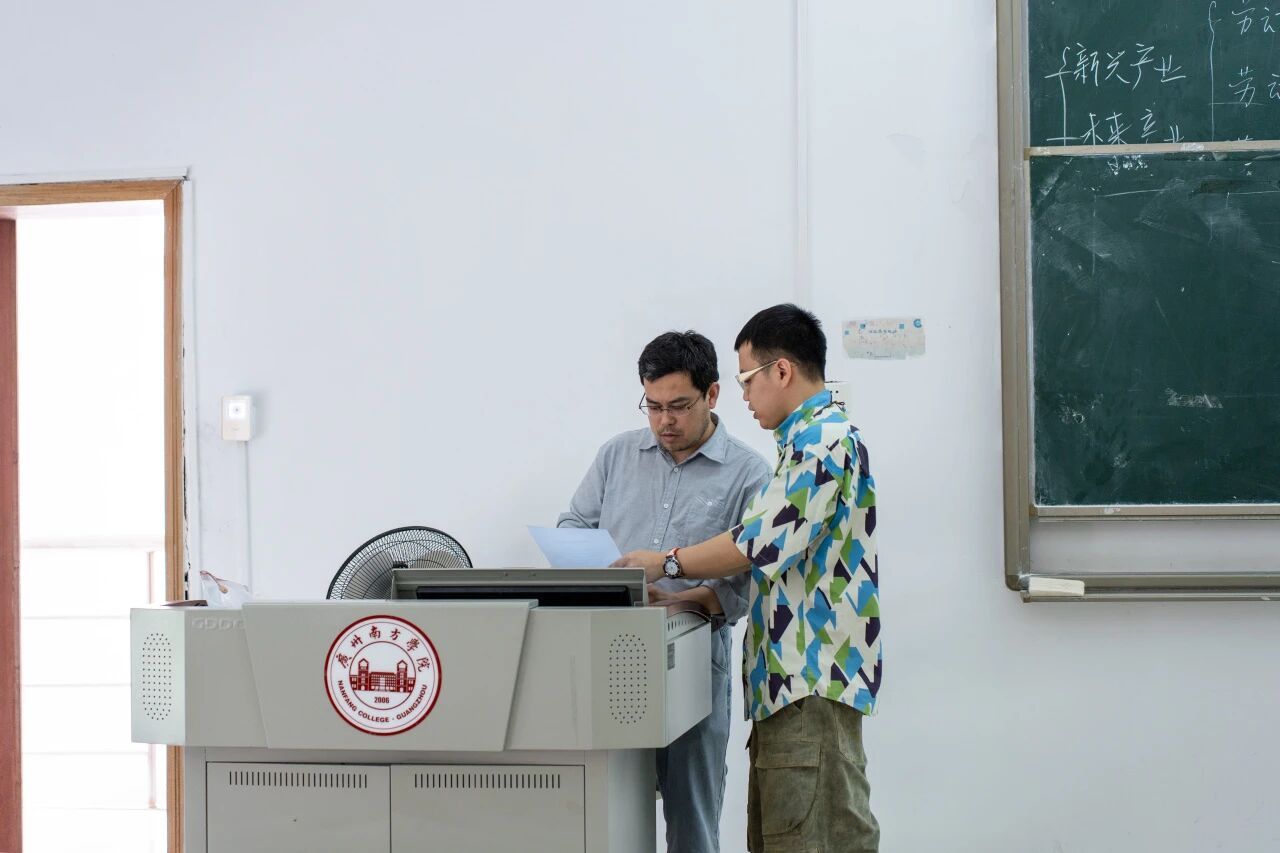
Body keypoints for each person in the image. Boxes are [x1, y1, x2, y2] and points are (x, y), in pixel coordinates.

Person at [614, 304, 883, 853]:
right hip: (785, 688)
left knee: (811, 839)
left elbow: (755, 543)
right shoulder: (800, 445)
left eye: (746, 379)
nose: (744, 395)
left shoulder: (824, 443)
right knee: (784, 836)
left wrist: (666, 563)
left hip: (808, 681)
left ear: (780, 371)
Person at [557, 330, 770, 853]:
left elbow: (751, 579)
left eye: (678, 406)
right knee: (602, 809)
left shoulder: (749, 473)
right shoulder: (617, 455)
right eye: (652, 406)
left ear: (712, 394)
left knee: (691, 815)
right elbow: (574, 524)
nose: (663, 421)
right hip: (607, 653)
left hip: (692, 655)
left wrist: (681, 598)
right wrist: (596, 571)